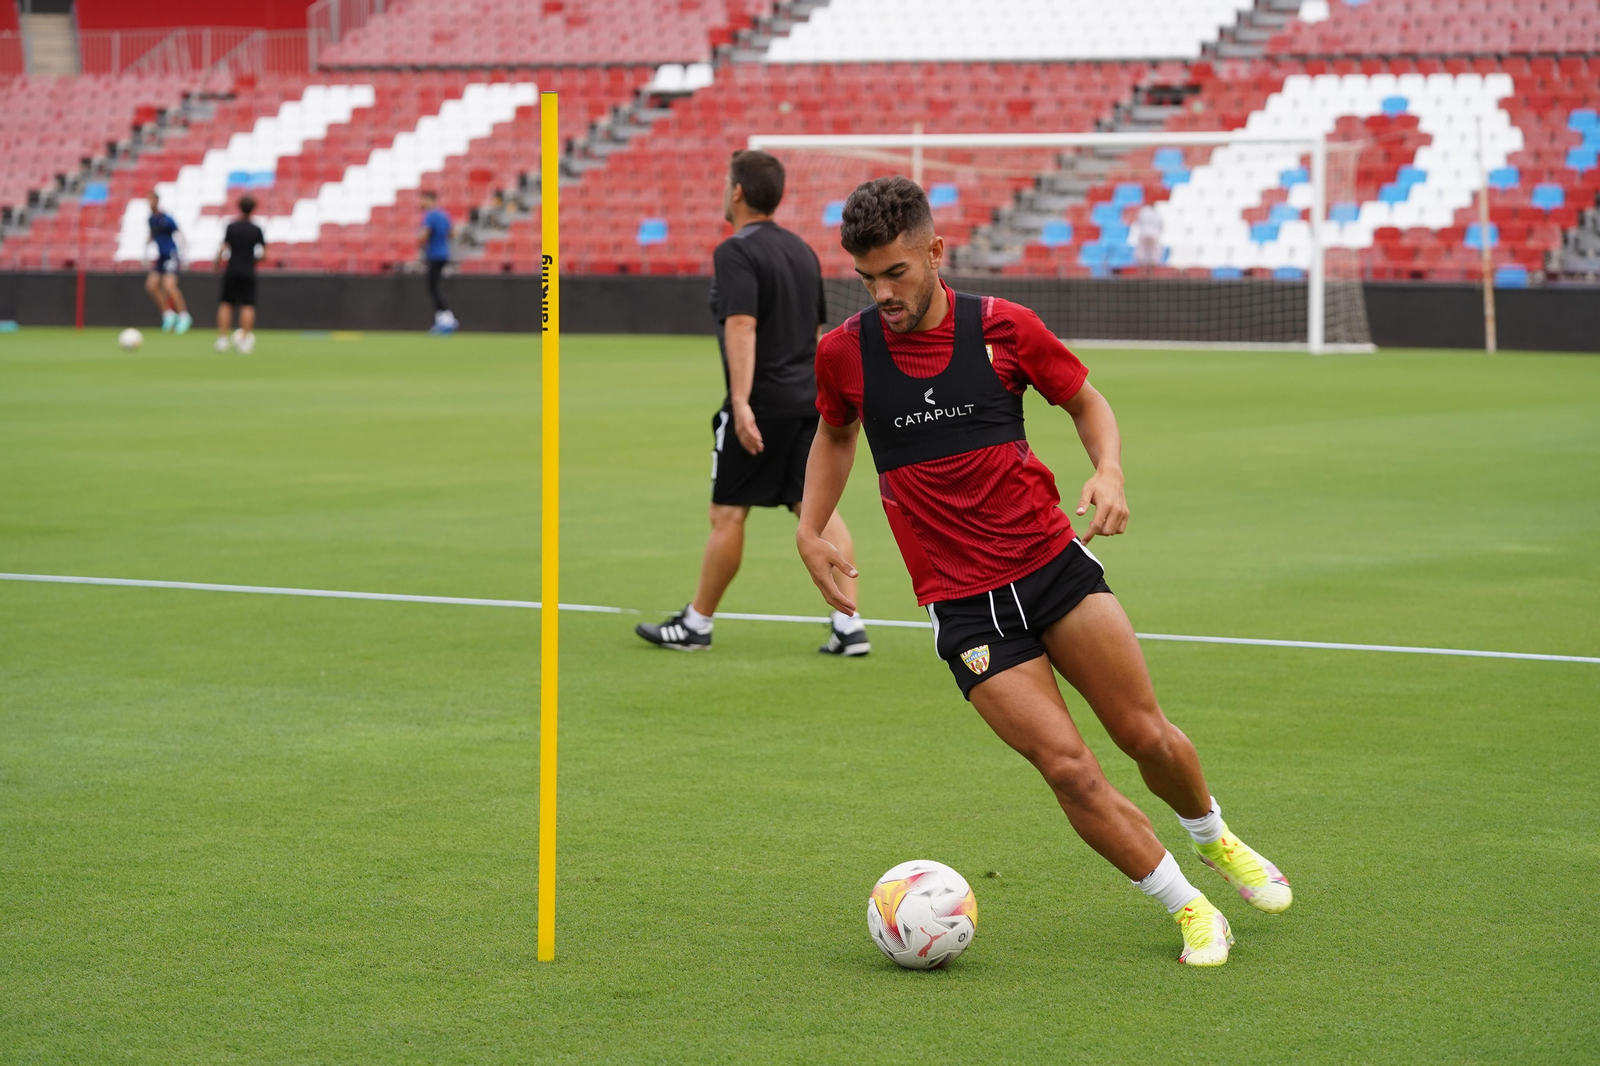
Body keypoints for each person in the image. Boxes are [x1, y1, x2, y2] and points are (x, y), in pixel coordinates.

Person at [796, 177, 1291, 967]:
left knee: (1144, 735)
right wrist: (809, 525)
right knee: (1068, 769)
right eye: (867, 279)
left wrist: (1112, 471)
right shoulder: (844, 353)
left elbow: (1088, 403)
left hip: (1053, 569)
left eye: (896, 273)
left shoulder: (1004, 328)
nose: (882, 293)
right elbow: (835, 434)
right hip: (964, 609)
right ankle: (1190, 908)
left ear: (934, 252)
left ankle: (1213, 836)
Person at [636, 150, 868, 656]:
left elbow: (741, 325)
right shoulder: (803, 251)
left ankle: (697, 623)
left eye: (725, 183)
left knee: (728, 513)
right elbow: (817, 333)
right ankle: (850, 626)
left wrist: (741, 403)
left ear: (737, 192)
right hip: (807, 402)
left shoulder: (735, 251)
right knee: (818, 511)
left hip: (760, 405)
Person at [213, 194, 267, 353]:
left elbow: (223, 249)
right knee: (248, 305)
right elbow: (265, 254)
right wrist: (253, 259)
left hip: (232, 270)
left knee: (226, 303)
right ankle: (244, 341)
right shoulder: (256, 229)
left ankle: (222, 339)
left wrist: (216, 264)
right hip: (248, 271)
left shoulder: (231, 227)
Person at [144, 192, 192, 334]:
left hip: (171, 254)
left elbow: (179, 233)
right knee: (151, 286)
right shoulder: (151, 219)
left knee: (169, 286)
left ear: (157, 201)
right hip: (161, 257)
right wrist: (145, 252)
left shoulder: (167, 218)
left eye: (151, 199)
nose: (149, 203)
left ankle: (184, 316)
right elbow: (151, 235)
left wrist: (184, 255)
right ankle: (168, 314)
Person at [418, 191, 459, 335]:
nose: (421, 203)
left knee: (433, 288)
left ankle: (447, 319)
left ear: (430, 200)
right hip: (444, 254)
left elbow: (424, 235)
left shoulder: (430, 216)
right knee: (435, 288)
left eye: (423, 200)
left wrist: (421, 242)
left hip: (434, 255)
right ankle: (442, 319)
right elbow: (453, 234)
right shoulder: (444, 215)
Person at [1134, 203, 1164, 274]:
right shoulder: (1156, 212)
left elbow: (1138, 221)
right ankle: (1151, 271)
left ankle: (1143, 271)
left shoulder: (1143, 211)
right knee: (1155, 252)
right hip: (1154, 232)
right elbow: (1161, 224)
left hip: (1144, 231)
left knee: (1142, 250)